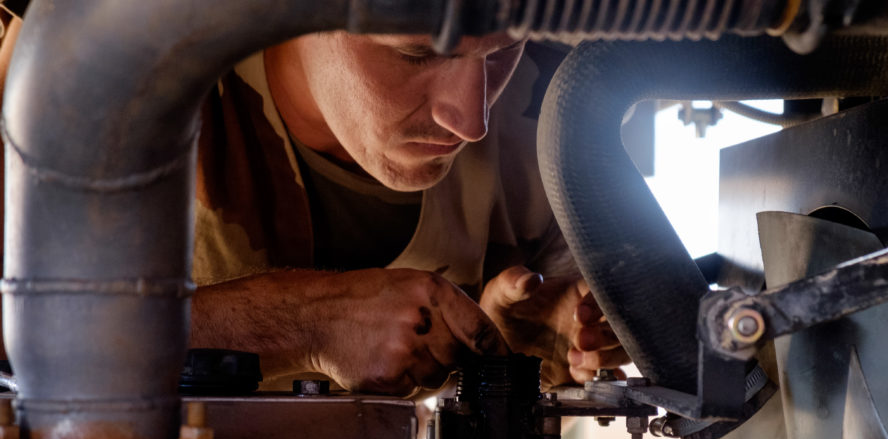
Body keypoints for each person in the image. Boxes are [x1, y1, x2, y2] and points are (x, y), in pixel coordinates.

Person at [0, 16, 629, 395]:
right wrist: (300, 320)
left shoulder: (556, 113)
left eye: (499, 54)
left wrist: (514, 363)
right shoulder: (101, 58)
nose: (471, 118)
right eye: (415, 53)